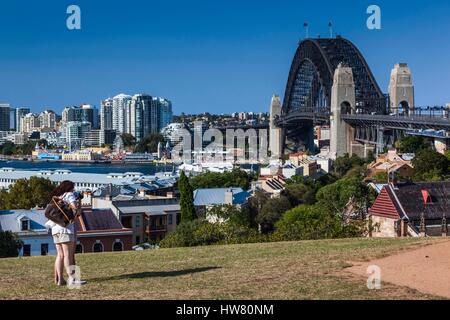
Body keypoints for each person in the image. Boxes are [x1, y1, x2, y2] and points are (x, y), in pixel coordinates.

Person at [46, 181, 86, 286]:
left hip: (55, 228)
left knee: (60, 255)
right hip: (66, 229)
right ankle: (72, 279)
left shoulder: (57, 197)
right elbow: (75, 209)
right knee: (68, 255)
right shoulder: (69, 195)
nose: (74, 190)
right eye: (73, 188)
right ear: (70, 188)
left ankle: (59, 279)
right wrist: (77, 203)